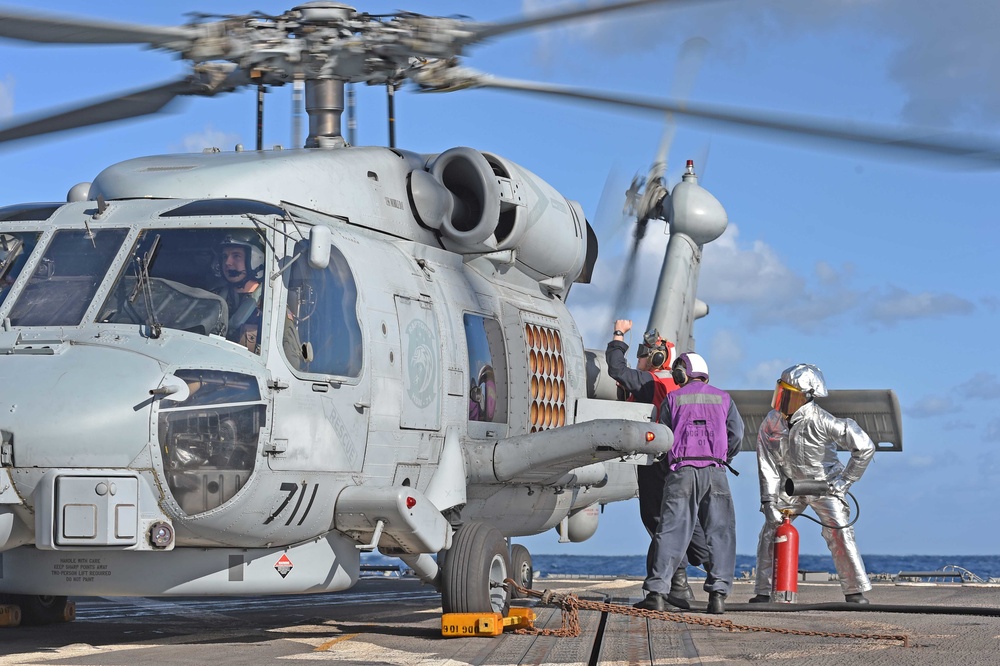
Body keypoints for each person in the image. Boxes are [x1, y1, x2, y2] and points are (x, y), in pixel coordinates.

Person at [606, 321, 710, 608]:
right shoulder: (677, 384)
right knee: (679, 517)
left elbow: (616, 369)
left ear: (657, 357)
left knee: (657, 520)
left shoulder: (650, 381)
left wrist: (618, 336)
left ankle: (682, 578)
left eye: (643, 353)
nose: (638, 358)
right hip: (684, 460)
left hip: (656, 460)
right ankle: (690, 580)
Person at [750, 363, 875, 604]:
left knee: (840, 531)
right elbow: (765, 462)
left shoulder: (823, 420)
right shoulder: (772, 421)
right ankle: (763, 592)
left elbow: (864, 446)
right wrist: (767, 500)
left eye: (789, 395)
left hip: (824, 486)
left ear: (806, 397)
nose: (782, 399)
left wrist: (845, 481)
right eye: (781, 392)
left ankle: (854, 590)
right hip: (789, 488)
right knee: (769, 532)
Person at [634, 352, 743, 615]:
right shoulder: (724, 398)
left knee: (671, 531)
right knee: (720, 532)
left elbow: (663, 435)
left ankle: (658, 593)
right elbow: (736, 434)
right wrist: (722, 456)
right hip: (715, 471)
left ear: (683, 374)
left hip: (681, 472)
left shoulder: (673, 398)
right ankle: (717, 595)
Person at [214, 231, 265, 353]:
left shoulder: (271, 307)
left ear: (255, 259)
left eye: (236, 256)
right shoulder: (212, 299)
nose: (227, 263)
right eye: (225, 256)